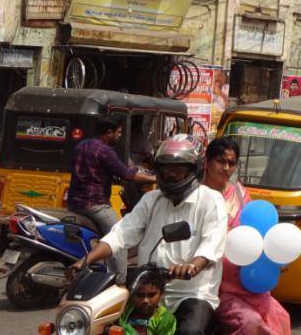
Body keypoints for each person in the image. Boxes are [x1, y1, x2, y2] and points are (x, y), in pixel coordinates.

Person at [72, 135, 227, 335]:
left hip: (191, 294)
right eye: (165, 169)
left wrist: (192, 266)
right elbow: (122, 232)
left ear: (194, 169)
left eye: (178, 170)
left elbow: (212, 242)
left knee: (189, 332)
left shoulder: (211, 200)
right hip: (148, 291)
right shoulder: (151, 200)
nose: (171, 175)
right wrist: (86, 259)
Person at [202, 137, 291, 335]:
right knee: (251, 324)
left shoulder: (240, 194)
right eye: (220, 161)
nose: (226, 168)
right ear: (206, 162)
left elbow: (254, 233)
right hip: (215, 283)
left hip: (247, 281)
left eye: (231, 163)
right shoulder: (197, 195)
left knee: (281, 317)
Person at [68, 118, 157, 281]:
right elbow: (126, 174)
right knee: (119, 239)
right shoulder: (105, 151)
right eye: (119, 133)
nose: (119, 136)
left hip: (74, 203)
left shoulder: (81, 146)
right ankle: (120, 282)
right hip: (95, 205)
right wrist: (155, 179)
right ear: (109, 133)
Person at [118, 268, 177, 335]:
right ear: (132, 294)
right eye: (140, 295)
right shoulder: (125, 310)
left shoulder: (165, 319)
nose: (145, 300)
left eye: (151, 295)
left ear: (161, 294)